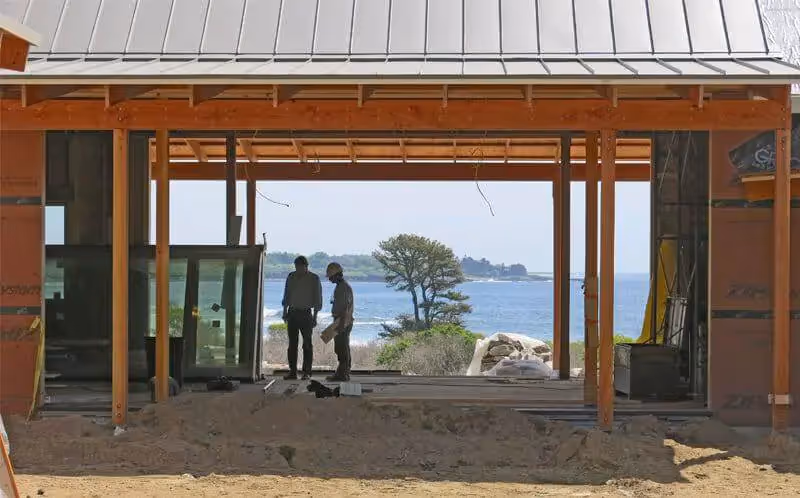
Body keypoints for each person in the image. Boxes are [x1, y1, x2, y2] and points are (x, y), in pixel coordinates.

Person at [281, 255, 322, 380]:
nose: (298, 269)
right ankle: (292, 371)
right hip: (292, 313)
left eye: (300, 267)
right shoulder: (291, 276)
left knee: (307, 344)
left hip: (306, 314)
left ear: (306, 266)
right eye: (296, 266)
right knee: (292, 345)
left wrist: (315, 317)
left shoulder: (314, 278)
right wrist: (284, 311)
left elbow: (317, 298)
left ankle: (307, 372)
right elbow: (286, 295)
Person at [326, 262, 354, 382]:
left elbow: (344, 308)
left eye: (331, 276)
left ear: (337, 275)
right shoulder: (342, 286)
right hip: (342, 320)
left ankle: (343, 374)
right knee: (342, 347)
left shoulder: (342, 288)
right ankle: (343, 372)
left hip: (342, 321)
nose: (329, 279)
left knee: (341, 348)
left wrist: (341, 325)